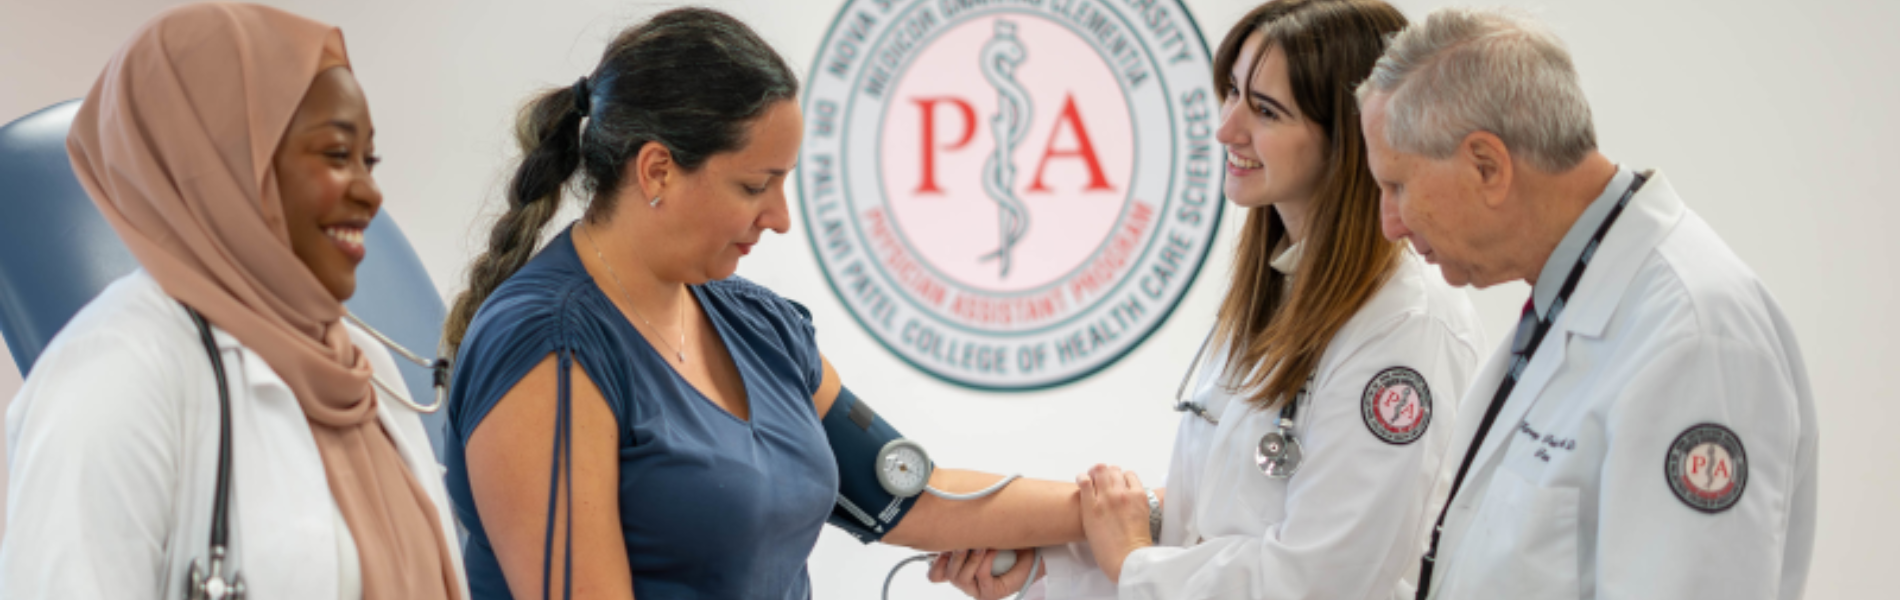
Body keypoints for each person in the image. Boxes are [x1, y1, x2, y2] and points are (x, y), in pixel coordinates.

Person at [438, 7, 1086, 599]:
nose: (779, 218)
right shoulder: (547, 344)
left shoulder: (756, 324)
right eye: (756, 185)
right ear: (657, 169)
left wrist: (1132, 511)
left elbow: (916, 499)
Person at [930, 1, 1486, 598]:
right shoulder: (1278, 289)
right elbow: (1210, 525)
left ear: (1354, 138)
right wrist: (1052, 566)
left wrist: (1134, 564)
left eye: (1266, 111)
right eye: (1232, 94)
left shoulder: (1407, 324)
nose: (1226, 129)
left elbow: (1319, 580)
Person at [0, 4, 466, 599]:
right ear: (221, 162)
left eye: (367, 160)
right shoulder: (111, 376)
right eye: (334, 154)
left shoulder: (355, 362)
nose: (370, 194)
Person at [1355, 8, 1818, 600]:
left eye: (1396, 185)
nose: (1389, 223)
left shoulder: (1694, 339)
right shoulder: (1568, 300)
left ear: (1487, 166)